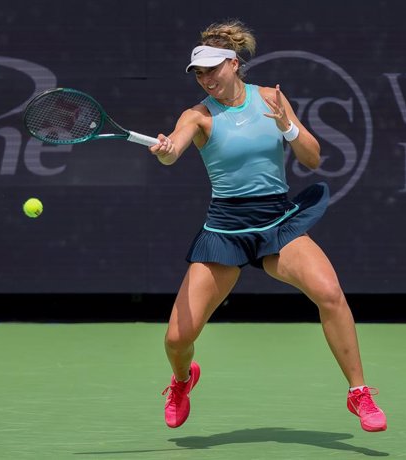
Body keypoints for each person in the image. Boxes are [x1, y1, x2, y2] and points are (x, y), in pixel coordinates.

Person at [149, 19, 387, 433]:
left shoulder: (272, 99)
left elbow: (312, 158)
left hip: (277, 223)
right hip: (225, 230)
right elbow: (174, 150)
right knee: (176, 340)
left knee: (330, 293)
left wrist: (287, 126)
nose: (205, 79)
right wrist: (167, 150)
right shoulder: (198, 116)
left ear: (234, 63)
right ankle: (183, 381)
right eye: (198, 73)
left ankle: (359, 393)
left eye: (212, 69)